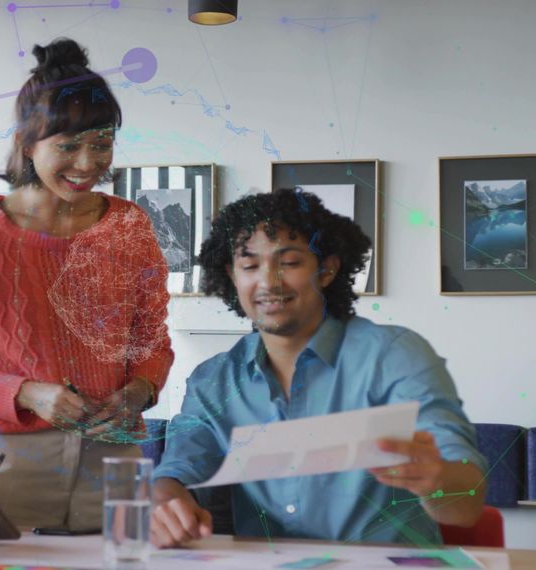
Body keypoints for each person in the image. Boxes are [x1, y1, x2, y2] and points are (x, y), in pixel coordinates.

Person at [0, 38, 173, 531]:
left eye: (101, 144)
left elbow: (152, 341)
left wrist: (140, 390)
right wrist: (28, 394)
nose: (87, 164)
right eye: (68, 146)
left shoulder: (131, 226)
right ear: (27, 144)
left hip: (114, 457)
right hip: (8, 457)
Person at [150, 189, 487, 547]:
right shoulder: (212, 381)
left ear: (326, 269)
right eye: (249, 265)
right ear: (233, 277)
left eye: (290, 262)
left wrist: (437, 481)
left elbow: (466, 505)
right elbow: (178, 471)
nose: (268, 282)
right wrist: (166, 500)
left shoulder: (394, 357)